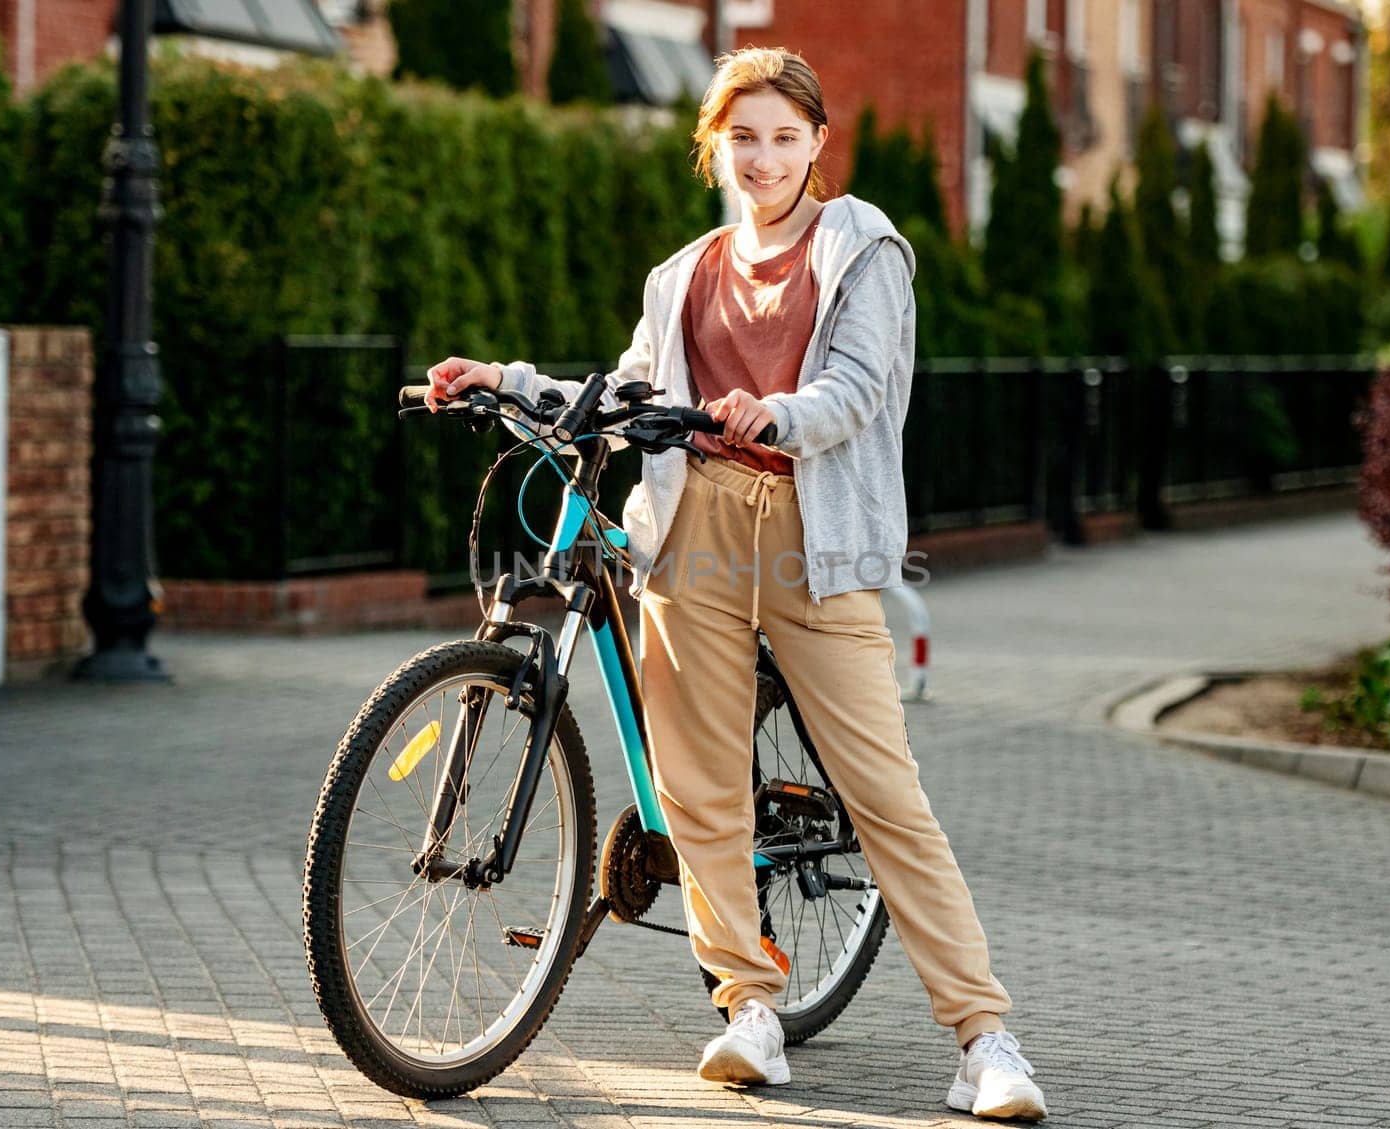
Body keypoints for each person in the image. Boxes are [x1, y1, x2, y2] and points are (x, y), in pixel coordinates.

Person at [426, 47, 1047, 1123]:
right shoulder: (684, 273)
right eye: (741, 137)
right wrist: (507, 381)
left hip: (814, 535)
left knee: (885, 793)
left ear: (816, 144)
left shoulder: (864, 248)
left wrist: (779, 412)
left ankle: (984, 1039)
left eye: (781, 136)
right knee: (698, 788)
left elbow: (857, 388)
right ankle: (747, 1009)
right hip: (693, 530)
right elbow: (626, 389)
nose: (761, 157)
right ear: (713, 145)